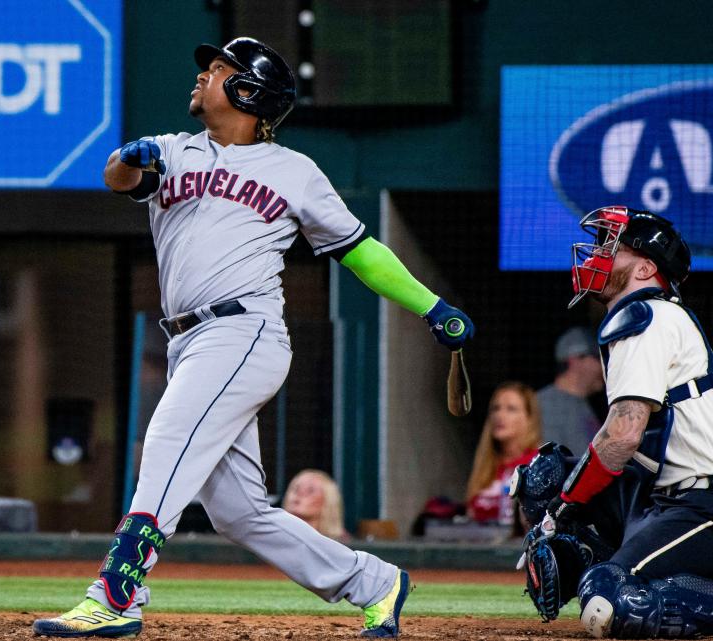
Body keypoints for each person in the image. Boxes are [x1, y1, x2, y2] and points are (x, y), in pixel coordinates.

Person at [31, 36, 474, 639]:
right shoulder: (173, 150)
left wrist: (432, 306)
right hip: (188, 340)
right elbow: (118, 178)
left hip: (244, 330)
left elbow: (359, 252)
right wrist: (130, 157)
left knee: (167, 438)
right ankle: (374, 582)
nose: (202, 77)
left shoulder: (294, 171)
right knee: (240, 513)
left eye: (217, 70)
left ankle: (115, 593)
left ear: (248, 91)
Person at [515, 206, 713, 639]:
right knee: (544, 476)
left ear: (645, 267)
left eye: (612, 246)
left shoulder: (649, 317)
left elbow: (623, 436)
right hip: (661, 496)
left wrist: (561, 510)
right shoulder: (645, 317)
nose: (597, 254)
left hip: (702, 502)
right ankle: (604, 558)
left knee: (608, 600)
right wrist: (562, 506)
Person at [465, 382, 541, 525]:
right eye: (496, 408)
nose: (500, 415)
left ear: (529, 418)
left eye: (511, 409)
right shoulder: (486, 463)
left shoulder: (538, 464)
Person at [536, 327, 604, 456]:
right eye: (597, 358)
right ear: (576, 360)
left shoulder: (582, 404)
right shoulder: (546, 404)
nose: (603, 366)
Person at [282, 469, 350, 542]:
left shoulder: (341, 544)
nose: (299, 494)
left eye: (310, 490)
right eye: (296, 488)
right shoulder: (273, 535)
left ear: (328, 501)